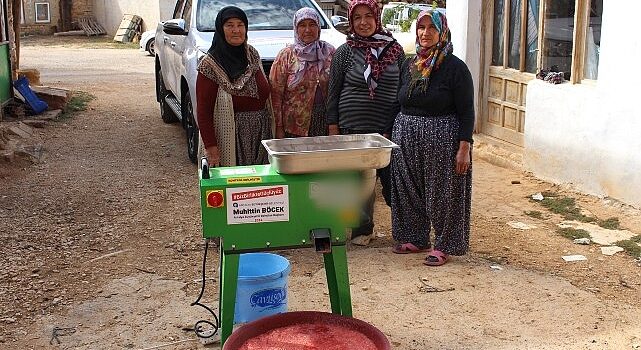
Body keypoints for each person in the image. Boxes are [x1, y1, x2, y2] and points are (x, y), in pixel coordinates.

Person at [390, 10, 474, 266]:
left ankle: (445, 244)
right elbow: (399, 100)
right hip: (406, 136)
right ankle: (416, 237)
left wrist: (464, 147)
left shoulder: (455, 67)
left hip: (443, 139)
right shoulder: (409, 64)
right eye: (421, 27)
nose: (425, 33)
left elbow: (467, 111)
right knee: (408, 190)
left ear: (442, 32)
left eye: (431, 28)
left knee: (443, 193)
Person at [326, 0, 405, 246]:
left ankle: (406, 230)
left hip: (388, 129)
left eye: (368, 16)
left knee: (395, 182)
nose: (363, 22)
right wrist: (333, 127)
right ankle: (362, 230)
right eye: (357, 17)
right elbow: (333, 92)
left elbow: (404, 88)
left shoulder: (395, 50)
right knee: (360, 184)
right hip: (353, 128)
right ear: (350, 21)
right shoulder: (346, 51)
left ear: (377, 17)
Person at [196, 6, 272, 166]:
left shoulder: (252, 55)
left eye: (240, 25)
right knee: (235, 188)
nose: (236, 30)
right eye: (230, 25)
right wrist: (211, 147)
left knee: (262, 188)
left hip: (261, 135)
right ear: (220, 29)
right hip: (231, 137)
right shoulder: (210, 65)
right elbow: (203, 111)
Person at [270, 7, 335, 138]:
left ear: (318, 28)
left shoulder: (329, 52)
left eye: (312, 24)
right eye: (302, 25)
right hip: (293, 126)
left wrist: (334, 123)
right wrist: (278, 127)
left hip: (324, 123)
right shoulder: (286, 56)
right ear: (295, 28)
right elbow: (275, 95)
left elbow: (337, 90)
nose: (307, 30)